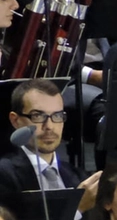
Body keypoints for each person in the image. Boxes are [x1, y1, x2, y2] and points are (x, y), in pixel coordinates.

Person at [0, 79, 100, 209]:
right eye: (38, 116)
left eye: (57, 116)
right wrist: (77, 209)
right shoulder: (5, 175)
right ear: (15, 121)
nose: (49, 126)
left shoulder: (78, 177)